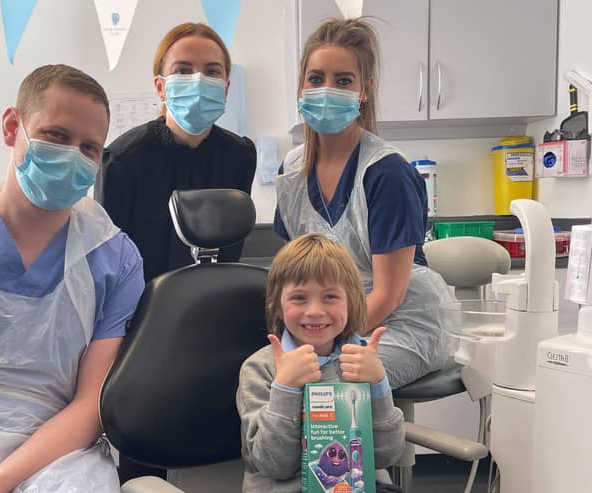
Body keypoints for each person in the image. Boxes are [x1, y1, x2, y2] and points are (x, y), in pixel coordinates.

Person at [274, 18, 452, 389]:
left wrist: (322, 345)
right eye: (316, 78)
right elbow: (296, 273)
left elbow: (389, 294)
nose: (327, 90)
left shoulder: (387, 173)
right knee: (262, 372)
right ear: (301, 87)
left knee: (327, 384)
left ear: (365, 89)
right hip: (328, 322)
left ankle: (375, 449)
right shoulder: (292, 171)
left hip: (399, 323)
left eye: (343, 81)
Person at [0, 64, 144, 492]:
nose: (72, 156)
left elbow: (89, 404)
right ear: (12, 127)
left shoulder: (116, 259)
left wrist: (4, 479)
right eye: (57, 136)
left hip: (57, 451)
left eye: (89, 148)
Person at [237, 233, 405, 492]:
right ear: (278, 307)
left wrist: (379, 384)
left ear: (351, 303)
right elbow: (273, 465)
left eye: (330, 297)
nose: (315, 310)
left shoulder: (360, 362)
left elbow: (386, 456)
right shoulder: (260, 369)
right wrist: (285, 387)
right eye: (299, 298)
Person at [98, 22, 257, 283]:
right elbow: (108, 260)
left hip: (218, 303)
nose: (198, 80)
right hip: (142, 312)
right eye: (183, 71)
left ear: (226, 88)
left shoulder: (240, 156)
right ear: (161, 87)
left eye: (211, 71)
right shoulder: (122, 159)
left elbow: (232, 249)